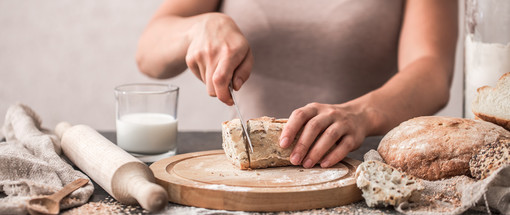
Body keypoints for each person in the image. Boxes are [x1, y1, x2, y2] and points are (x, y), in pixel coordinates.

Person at [136, 0, 458, 169]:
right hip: (250, 189)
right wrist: (197, 28)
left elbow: (432, 70)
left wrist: (360, 114)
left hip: (363, 176)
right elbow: (148, 52)